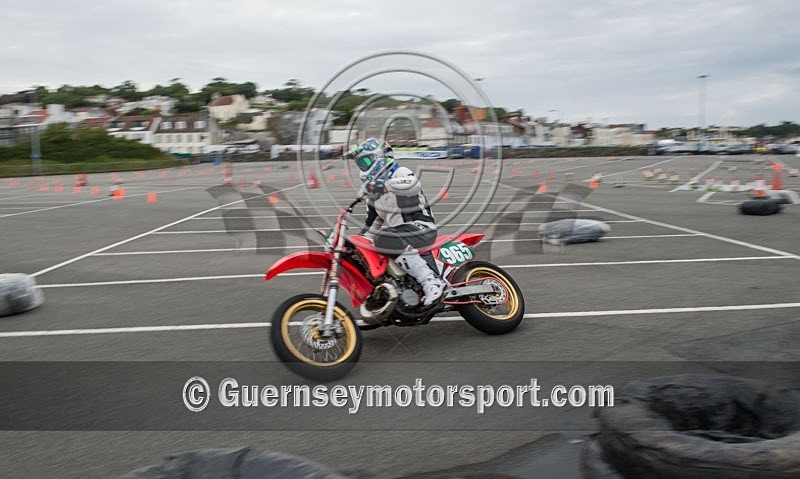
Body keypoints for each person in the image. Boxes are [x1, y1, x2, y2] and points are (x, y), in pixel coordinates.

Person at [349, 138, 446, 306]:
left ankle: (432, 282)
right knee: (366, 250)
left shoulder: (401, 173)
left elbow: (412, 185)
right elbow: (370, 228)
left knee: (385, 237)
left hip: (421, 229)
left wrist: (381, 186)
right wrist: (354, 245)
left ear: (379, 157)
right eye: (360, 164)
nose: (363, 167)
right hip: (399, 237)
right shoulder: (373, 195)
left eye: (365, 161)